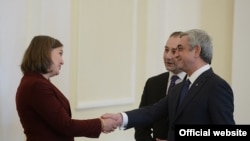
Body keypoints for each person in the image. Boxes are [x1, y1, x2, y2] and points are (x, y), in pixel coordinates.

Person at [102, 29, 235, 141]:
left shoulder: (216, 86)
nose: (175, 55)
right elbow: (152, 111)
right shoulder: (180, 87)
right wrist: (121, 118)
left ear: (196, 51)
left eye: (180, 49)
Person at [15, 35, 118, 141]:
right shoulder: (36, 86)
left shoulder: (35, 82)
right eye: (60, 53)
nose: (62, 61)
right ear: (45, 52)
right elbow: (65, 126)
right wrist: (100, 124)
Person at [134, 31, 185, 141]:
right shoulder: (153, 83)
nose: (168, 56)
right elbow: (141, 126)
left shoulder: (194, 85)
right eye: (166, 50)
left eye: (174, 51)